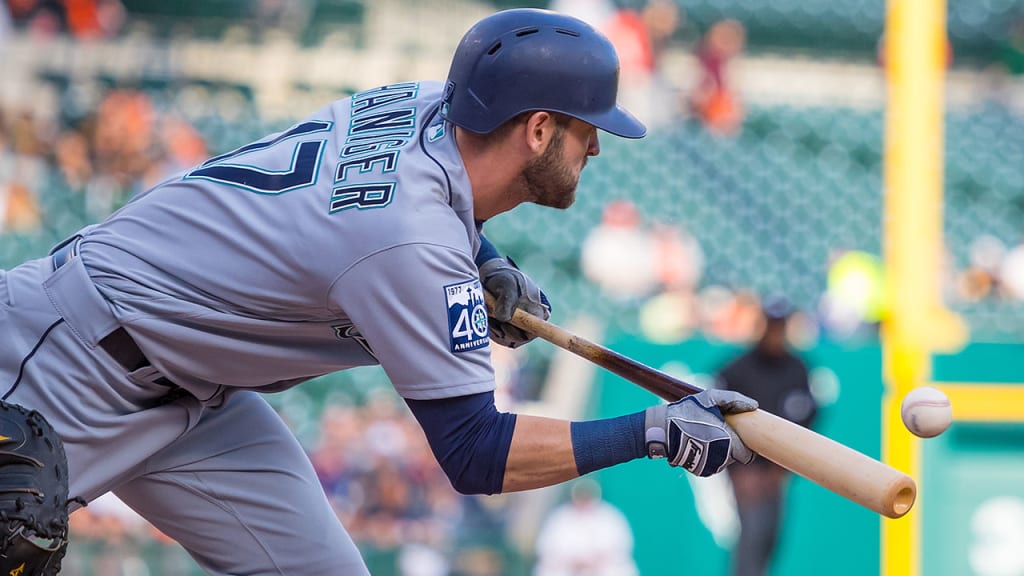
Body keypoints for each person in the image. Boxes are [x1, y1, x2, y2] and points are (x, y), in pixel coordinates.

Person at [0, 8, 758, 575]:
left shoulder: (430, 104)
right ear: (535, 130)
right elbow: (476, 454)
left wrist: (484, 258)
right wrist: (650, 433)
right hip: (69, 355)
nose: (595, 144)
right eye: (584, 128)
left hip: (196, 390)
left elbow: (417, 209)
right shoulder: (412, 243)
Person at [716, 298, 817, 576]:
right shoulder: (737, 369)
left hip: (778, 469)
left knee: (770, 539)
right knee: (752, 537)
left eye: (780, 327)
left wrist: (783, 467)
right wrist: (734, 468)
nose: (775, 334)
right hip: (745, 468)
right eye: (771, 327)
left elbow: (808, 416)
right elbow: (713, 416)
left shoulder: (797, 368)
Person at [533, 478, 638, 576]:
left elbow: (621, 547)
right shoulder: (560, 517)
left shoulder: (610, 516)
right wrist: (575, 561)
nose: (584, 500)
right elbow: (546, 550)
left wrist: (595, 560)